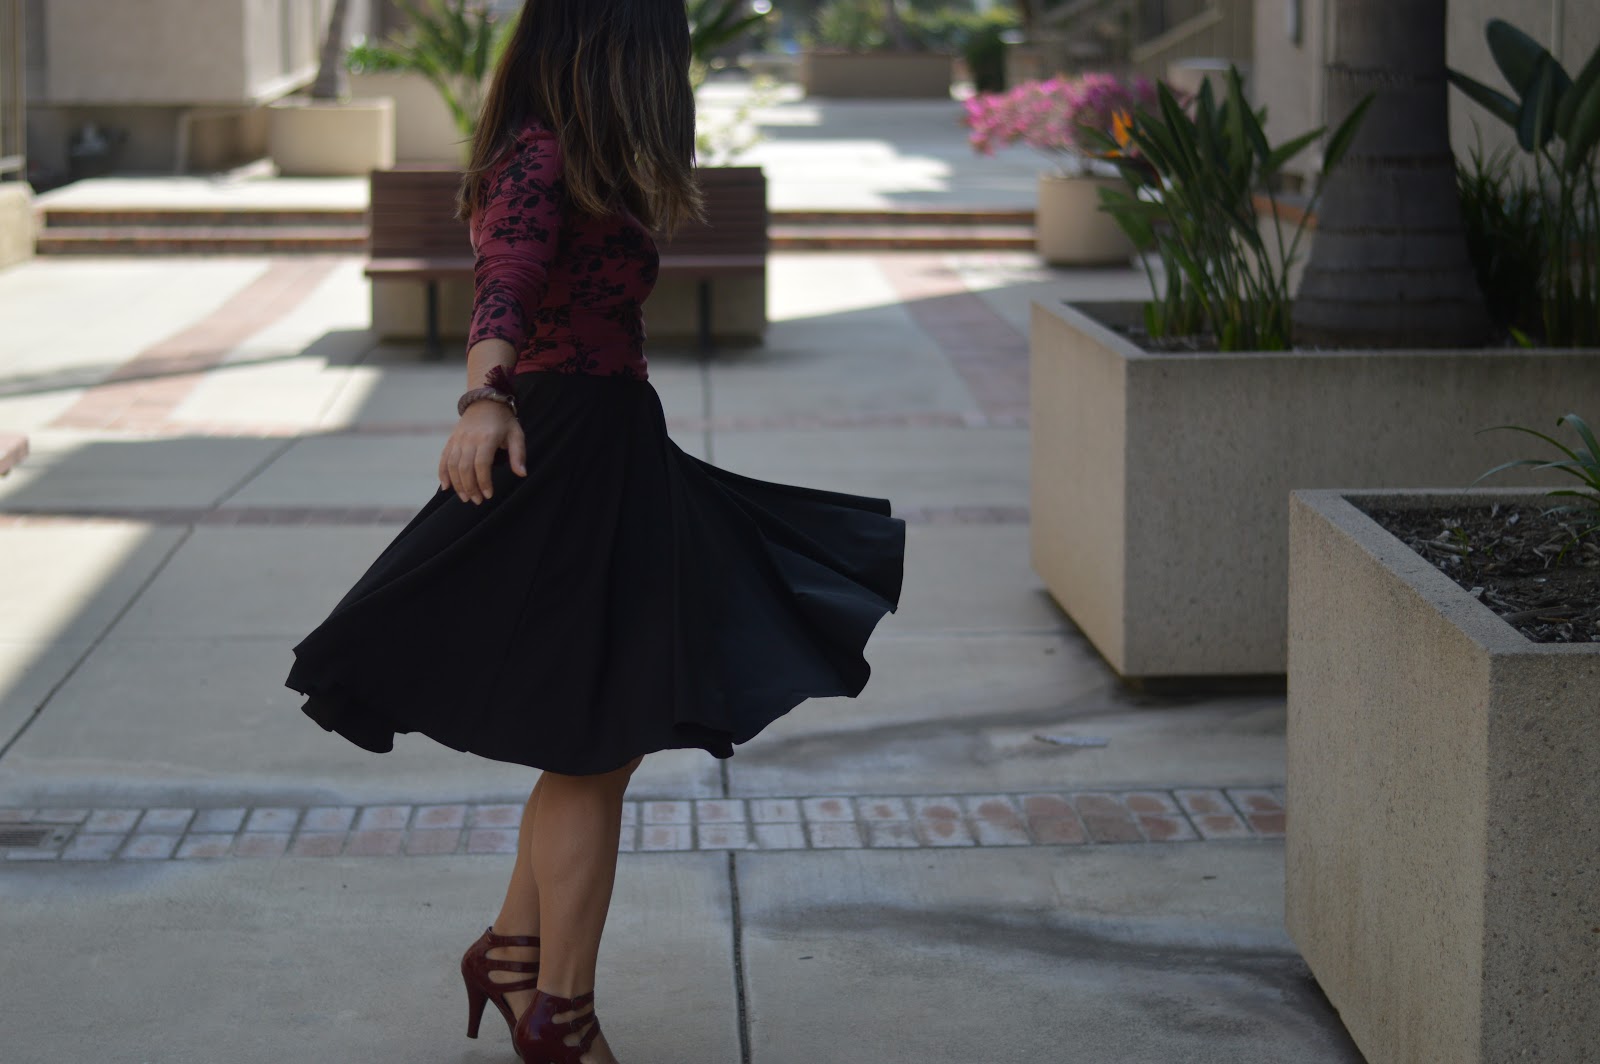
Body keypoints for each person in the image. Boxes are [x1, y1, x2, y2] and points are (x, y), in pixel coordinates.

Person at [284, 2, 905, 1061]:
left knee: (598, 745)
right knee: (595, 744)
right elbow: (506, 281)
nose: (677, 65)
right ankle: (559, 1016)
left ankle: (513, 956)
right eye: (665, 44)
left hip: (615, 449)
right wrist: (485, 397)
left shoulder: (581, 157)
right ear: (618, 48)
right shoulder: (540, 153)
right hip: (566, 452)